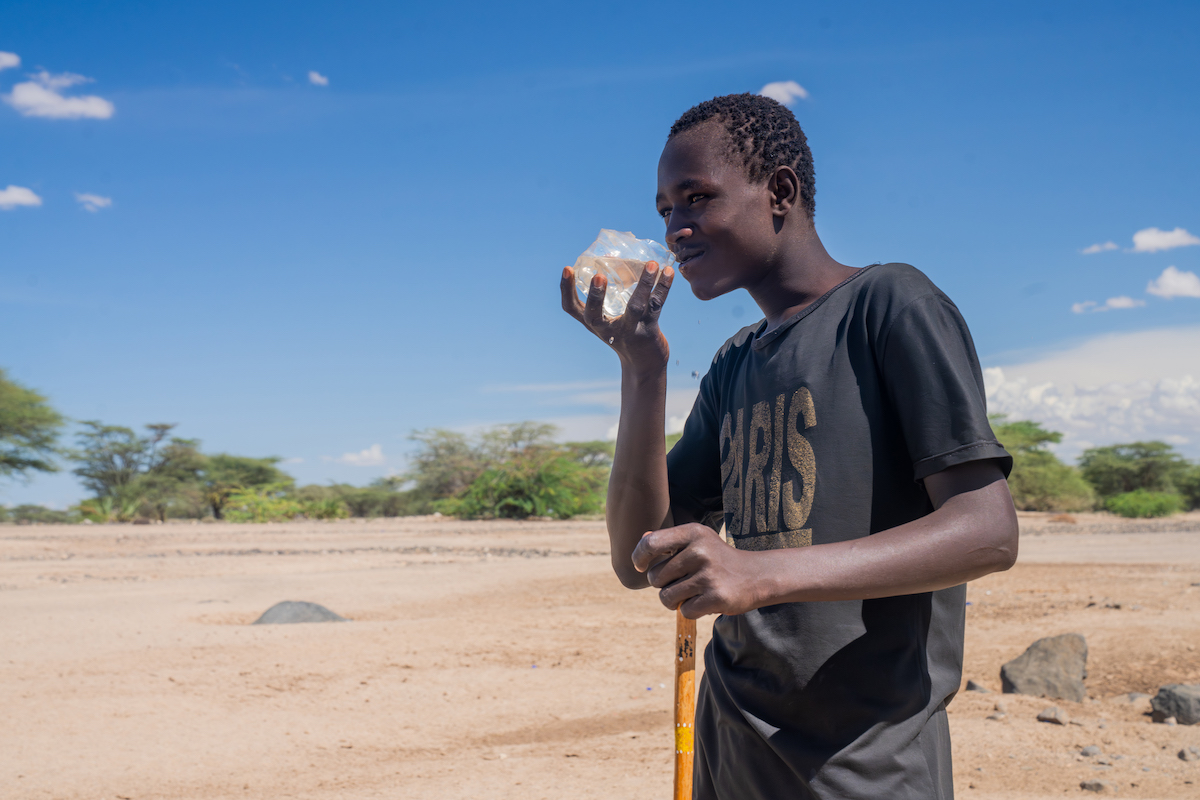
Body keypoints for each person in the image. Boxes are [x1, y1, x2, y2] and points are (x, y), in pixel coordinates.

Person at [559, 93, 1017, 799]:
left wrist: (760, 574)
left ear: (780, 191)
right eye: (664, 211)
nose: (676, 229)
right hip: (732, 750)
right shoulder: (737, 363)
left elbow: (986, 534)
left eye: (696, 198)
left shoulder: (889, 307)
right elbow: (637, 555)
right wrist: (642, 370)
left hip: (864, 766)